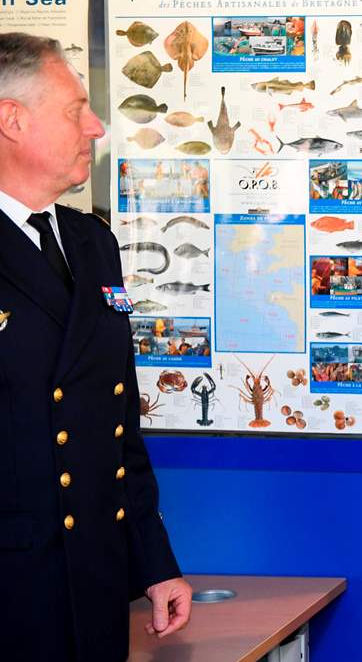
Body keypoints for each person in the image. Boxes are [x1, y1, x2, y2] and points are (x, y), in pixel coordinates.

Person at [0, 33, 191, 660]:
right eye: (75, 109)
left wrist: (153, 561)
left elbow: (116, 424)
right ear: (12, 119)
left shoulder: (91, 241)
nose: (97, 126)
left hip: (97, 580)